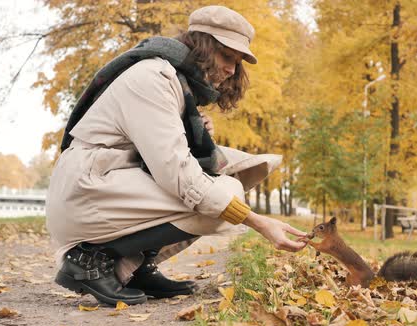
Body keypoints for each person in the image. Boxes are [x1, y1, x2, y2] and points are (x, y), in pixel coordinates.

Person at [46, 5, 307, 306]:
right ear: (204, 46)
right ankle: (89, 257)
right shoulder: (153, 78)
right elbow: (179, 175)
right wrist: (259, 223)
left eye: (237, 62)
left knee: (230, 172)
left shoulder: (175, 81)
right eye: (226, 56)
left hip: (105, 184)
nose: (232, 70)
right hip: (86, 192)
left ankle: (133, 265)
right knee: (218, 193)